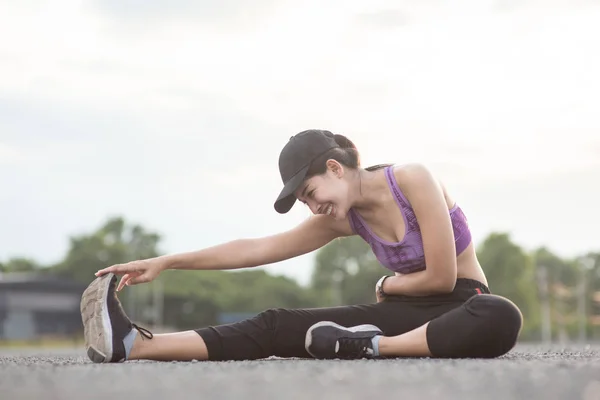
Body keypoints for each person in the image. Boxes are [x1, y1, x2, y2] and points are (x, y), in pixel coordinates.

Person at [81, 129, 523, 364]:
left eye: (310, 193)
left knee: (500, 314)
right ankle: (133, 346)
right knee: (276, 323)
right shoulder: (340, 218)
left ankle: (368, 347)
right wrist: (168, 261)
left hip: (463, 305)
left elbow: (444, 279)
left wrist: (390, 284)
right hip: (408, 317)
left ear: (335, 167)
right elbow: (256, 249)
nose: (312, 208)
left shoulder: (412, 178)